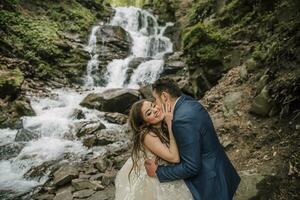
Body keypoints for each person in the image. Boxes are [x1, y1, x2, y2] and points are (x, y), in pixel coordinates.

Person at [144, 78, 241, 200]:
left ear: (164, 97)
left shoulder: (181, 121)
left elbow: (191, 167)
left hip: (210, 184)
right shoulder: (188, 102)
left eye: (155, 100)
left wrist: (159, 172)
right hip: (221, 170)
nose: (156, 105)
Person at [114, 99, 193, 200]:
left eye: (153, 105)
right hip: (157, 180)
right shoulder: (147, 135)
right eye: (149, 113)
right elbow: (174, 158)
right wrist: (170, 125)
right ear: (145, 123)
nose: (155, 110)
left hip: (166, 172)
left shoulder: (161, 125)